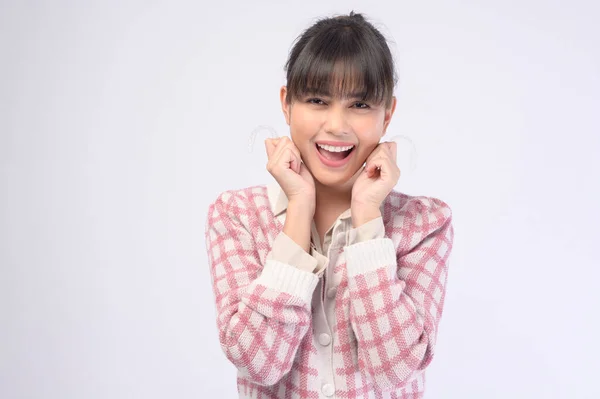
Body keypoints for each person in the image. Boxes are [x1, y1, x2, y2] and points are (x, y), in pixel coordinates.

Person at [204, 11, 454, 399]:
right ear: (287, 104)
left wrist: (368, 218)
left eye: (359, 105)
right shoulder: (237, 216)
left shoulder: (424, 224)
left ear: (387, 114)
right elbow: (256, 362)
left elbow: (395, 367)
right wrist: (298, 213)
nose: (337, 125)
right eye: (318, 100)